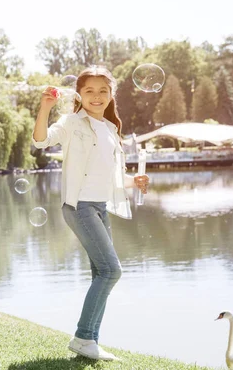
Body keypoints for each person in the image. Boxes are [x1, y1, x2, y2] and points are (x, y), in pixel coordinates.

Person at [32, 66, 149, 360]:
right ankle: (84, 337)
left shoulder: (110, 130)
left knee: (101, 272)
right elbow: (41, 140)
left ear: (111, 95)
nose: (96, 97)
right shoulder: (72, 122)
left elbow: (111, 177)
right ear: (79, 95)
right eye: (89, 91)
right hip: (79, 205)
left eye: (103, 91)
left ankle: (90, 342)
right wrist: (45, 108)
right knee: (112, 271)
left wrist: (134, 181)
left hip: (99, 206)